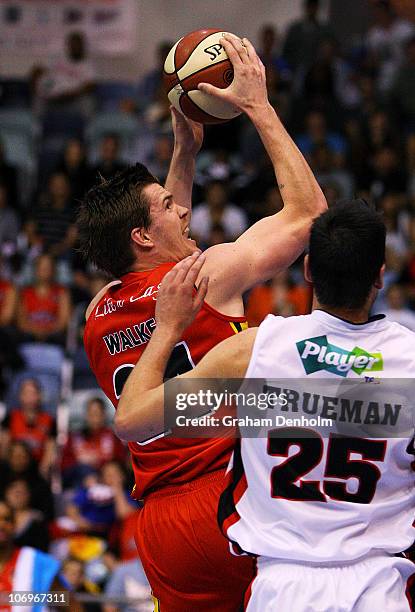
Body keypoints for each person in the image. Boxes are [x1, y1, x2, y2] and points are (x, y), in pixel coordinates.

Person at [79, 34, 326, 611]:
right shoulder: (209, 277)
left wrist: (184, 155)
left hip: (162, 526)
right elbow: (309, 213)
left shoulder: (95, 314)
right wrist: (258, 106)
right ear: (141, 235)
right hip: (233, 498)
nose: (181, 207)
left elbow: (160, 262)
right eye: (166, 206)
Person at [121, 200, 415, 611]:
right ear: (380, 277)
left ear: (308, 269)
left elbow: (133, 421)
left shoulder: (256, 352)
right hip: (378, 586)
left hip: (282, 587)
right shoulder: (410, 362)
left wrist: (168, 328)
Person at [0, 500, 81, 612]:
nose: (1, 525)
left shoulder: (35, 562)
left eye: (6, 519)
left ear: (15, 524)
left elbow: (69, 604)